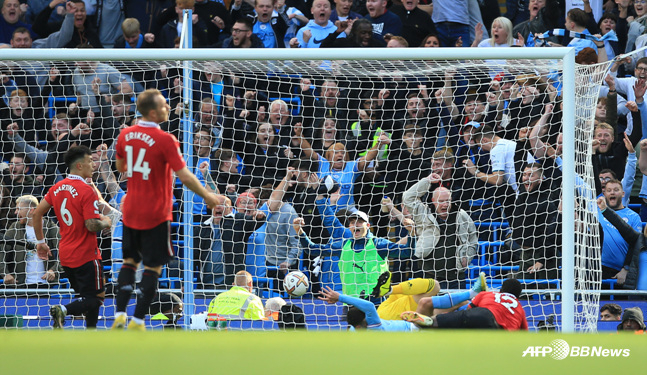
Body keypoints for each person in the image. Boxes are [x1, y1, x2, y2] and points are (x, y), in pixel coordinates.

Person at [111, 89, 218, 331]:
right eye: (164, 105)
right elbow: (185, 176)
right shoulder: (166, 139)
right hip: (156, 211)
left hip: (131, 208)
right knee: (152, 267)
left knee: (129, 263)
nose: (168, 108)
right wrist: (208, 196)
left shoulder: (125, 135)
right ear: (152, 112)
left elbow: (120, 166)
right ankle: (138, 320)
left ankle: (119, 314)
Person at [31, 146, 112, 329]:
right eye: (90, 160)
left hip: (66, 255)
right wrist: (106, 222)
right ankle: (63, 310)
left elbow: (37, 213)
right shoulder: (86, 190)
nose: (93, 164)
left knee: (86, 298)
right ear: (80, 165)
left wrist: (41, 242)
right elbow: (91, 224)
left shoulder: (57, 188)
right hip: (86, 254)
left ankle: (90, 335)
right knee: (95, 299)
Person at [403, 178, 478, 289]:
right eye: (441, 201)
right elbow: (407, 197)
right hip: (428, 276)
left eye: (448, 201)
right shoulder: (423, 214)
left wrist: (468, 256)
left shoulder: (461, 215)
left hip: (456, 278)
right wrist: (427, 181)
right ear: (433, 201)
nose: (445, 204)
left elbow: (473, 239)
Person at [402, 278, 529, 331]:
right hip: (496, 327)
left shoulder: (489, 294)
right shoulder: (519, 308)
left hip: (479, 313)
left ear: (501, 290)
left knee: (446, 320)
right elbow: (523, 334)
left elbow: (469, 310)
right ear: (518, 296)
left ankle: (431, 321)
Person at [0, 195, 60, 287]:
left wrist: (54, 270)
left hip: (46, 285)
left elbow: (65, 251)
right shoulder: (15, 227)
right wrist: (5, 273)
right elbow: (2, 250)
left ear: (31, 209)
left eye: (19, 209)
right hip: (21, 285)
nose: (15, 212)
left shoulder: (50, 227)